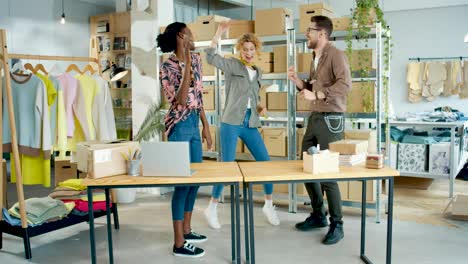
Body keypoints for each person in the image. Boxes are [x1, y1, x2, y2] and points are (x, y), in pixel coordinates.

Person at [203, 22, 280, 229]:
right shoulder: (232, 65)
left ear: (256, 50)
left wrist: (261, 107)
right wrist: (218, 33)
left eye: (251, 49)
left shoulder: (258, 71)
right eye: (244, 49)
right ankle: (212, 207)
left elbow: (254, 98)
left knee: (266, 162)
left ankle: (268, 204)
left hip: (250, 122)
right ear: (240, 50)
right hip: (231, 122)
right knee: (226, 166)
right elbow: (210, 56)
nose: (248, 53)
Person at [287, 15, 352, 245]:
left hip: (331, 119)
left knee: (327, 174)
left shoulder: (336, 55)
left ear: (322, 34)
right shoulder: (316, 58)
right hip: (315, 117)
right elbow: (313, 88)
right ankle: (318, 214)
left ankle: (338, 225)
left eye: (310, 31)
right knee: (308, 165)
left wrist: (317, 94)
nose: (307, 34)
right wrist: (298, 81)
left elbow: (345, 85)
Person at [157, 22, 212, 258]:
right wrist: (187, 63)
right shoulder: (167, 66)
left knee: (195, 181)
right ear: (181, 36)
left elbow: (197, 95)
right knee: (182, 185)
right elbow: (179, 100)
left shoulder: (197, 59)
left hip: (193, 123)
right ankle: (178, 244)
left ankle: (187, 230)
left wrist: (206, 125)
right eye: (189, 32)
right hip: (178, 126)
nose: (193, 36)